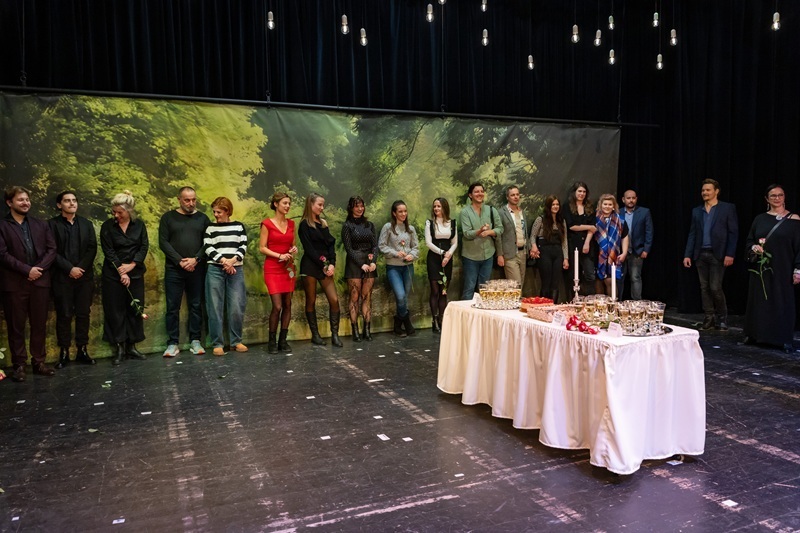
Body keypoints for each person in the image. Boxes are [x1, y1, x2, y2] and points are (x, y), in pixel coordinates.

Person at [0, 186, 57, 382]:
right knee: (16, 326)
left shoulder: (41, 224)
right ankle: (19, 365)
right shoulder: (2, 226)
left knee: (39, 324)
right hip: (14, 284)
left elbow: (52, 250)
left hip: (39, 282)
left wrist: (37, 270)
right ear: (9, 203)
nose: (25, 203)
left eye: (27, 199)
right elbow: (2, 254)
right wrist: (27, 270)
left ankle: (39, 362)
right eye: (20, 200)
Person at [741, 184, 800, 352]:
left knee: (782, 301)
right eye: (773, 195)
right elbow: (750, 240)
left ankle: (783, 339)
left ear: (784, 197)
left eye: (780, 195)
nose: (777, 198)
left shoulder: (794, 219)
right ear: (767, 199)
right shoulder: (760, 219)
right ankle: (754, 334)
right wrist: (753, 248)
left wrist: (798, 269)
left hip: (783, 268)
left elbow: (799, 247)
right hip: (761, 267)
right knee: (759, 301)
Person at [48, 190, 98, 367]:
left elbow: (92, 248)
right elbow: (51, 251)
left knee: (83, 313)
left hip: (84, 277)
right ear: (59, 205)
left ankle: (82, 349)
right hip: (62, 277)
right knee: (64, 314)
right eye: (67, 201)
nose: (72, 203)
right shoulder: (51, 225)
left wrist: (80, 268)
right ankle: (64, 352)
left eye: (74, 200)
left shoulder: (86, 224)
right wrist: (70, 268)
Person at [100, 191, 149, 366]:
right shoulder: (107, 226)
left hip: (135, 273)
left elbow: (143, 247)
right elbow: (108, 251)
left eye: (120, 212)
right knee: (115, 310)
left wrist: (133, 265)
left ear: (129, 211)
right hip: (113, 274)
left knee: (135, 309)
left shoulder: (139, 225)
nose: (116, 215)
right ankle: (119, 347)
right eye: (114, 212)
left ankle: (132, 346)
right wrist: (122, 271)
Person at [159, 186, 210, 357]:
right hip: (174, 269)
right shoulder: (168, 218)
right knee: (172, 307)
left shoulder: (203, 218)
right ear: (179, 200)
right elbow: (163, 242)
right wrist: (180, 261)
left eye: (194, 199)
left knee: (196, 305)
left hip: (197, 268)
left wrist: (196, 259)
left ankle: (195, 341)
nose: (191, 203)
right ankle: (172, 343)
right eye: (187, 200)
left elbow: (208, 242)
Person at [683, 179, 739, 331]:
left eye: (708, 190)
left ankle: (722, 318)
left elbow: (733, 233)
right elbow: (692, 234)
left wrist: (730, 254)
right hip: (700, 254)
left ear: (716, 191)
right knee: (704, 287)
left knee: (715, 287)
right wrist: (687, 254)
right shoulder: (697, 211)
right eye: (703, 190)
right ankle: (709, 318)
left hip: (718, 254)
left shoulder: (727, 208)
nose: (704, 193)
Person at [204, 197, 249, 356]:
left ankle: (236, 341)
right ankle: (217, 343)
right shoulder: (210, 228)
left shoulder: (238, 226)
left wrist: (232, 261)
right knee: (214, 306)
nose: (216, 215)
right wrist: (224, 261)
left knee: (236, 305)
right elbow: (208, 247)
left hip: (235, 270)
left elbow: (243, 245)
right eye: (214, 212)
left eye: (219, 212)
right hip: (215, 269)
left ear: (227, 211)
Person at [299, 193, 343, 347]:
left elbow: (330, 245)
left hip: (325, 266)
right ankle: (315, 335)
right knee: (311, 300)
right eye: (319, 204)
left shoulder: (323, 223)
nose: (322, 208)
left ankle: (335, 335)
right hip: (310, 266)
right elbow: (309, 249)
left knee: (334, 300)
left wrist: (332, 264)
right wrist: (323, 265)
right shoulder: (304, 225)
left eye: (323, 205)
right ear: (310, 204)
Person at [259, 192, 298, 354]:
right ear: (276, 204)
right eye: (284, 203)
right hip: (273, 268)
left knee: (288, 304)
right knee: (277, 305)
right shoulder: (267, 224)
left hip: (288, 268)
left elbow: (292, 245)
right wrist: (279, 255)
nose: (287, 206)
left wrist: (293, 250)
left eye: (289, 203)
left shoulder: (291, 224)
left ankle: (283, 340)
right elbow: (262, 248)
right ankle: (271, 341)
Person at [379, 200, 420, 337]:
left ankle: (397, 325)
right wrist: (395, 253)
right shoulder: (388, 227)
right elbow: (382, 245)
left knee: (404, 298)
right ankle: (407, 322)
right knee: (401, 296)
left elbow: (416, 247)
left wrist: (411, 255)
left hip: (408, 267)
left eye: (405, 211)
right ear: (394, 213)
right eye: (400, 211)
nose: (403, 214)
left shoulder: (411, 229)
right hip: (393, 268)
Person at [341, 196, 378, 342]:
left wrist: (373, 262)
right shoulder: (347, 226)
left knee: (367, 297)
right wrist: (360, 264)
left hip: (369, 262)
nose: (360, 209)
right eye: (357, 206)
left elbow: (375, 246)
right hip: (354, 264)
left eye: (362, 206)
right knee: (354, 297)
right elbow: (348, 249)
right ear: (351, 208)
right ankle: (355, 330)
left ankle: (367, 330)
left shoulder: (370, 225)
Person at [459, 182, 503, 300]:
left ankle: (483, 310)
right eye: (476, 192)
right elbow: (467, 233)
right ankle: (465, 311)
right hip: (470, 257)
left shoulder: (491, 210)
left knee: (485, 289)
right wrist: (480, 231)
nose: (480, 194)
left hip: (488, 255)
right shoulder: (465, 212)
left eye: (482, 191)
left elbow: (500, 229)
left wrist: (490, 232)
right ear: (470, 195)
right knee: (469, 288)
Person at [424, 198, 458, 333]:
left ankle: (442, 319)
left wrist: (448, 255)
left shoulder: (452, 223)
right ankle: (434, 320)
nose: (436, 209)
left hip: (447, 258)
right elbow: (428, 243)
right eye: (435, 206)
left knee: (443, 291)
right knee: (435, 291)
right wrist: (442, 253)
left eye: (439, 206)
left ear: (445, 207)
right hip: (434, 258)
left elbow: (454, 243)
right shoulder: (429, 223)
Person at [529, 196, 569, 303]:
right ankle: (543, 306)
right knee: (546, 282)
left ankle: (553, 306)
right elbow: (532, 236)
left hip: (558, 252)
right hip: (544, 252)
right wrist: (534, 246)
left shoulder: (562, 221)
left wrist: (566, 258)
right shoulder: (540, 219)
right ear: (548, 206)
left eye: (557, 204)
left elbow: (564, 241)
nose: (555, 206)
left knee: (555, 283)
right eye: (553, 204)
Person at [563, 181, 597, 297]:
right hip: (573, 244)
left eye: (584, 191)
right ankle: (573, 299)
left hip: (587, 244)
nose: (582, 194)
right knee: (573, 275)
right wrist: (589, 227)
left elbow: (593, 228)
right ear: (574, 192)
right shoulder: (567, 206)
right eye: (579, 191)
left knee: (590, 275)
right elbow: (571, 226)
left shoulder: (590, 207)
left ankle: (589, 300)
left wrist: (587, 243)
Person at [620, 190, 654, 300]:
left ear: (636, 199)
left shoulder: (644, 212)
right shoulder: (618, 212)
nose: (631, 200)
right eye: (628, 198)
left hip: (637, 251)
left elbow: (649, 231)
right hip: (621, 251)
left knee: (635, 277)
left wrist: (646, 249)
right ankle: (617, 302)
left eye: (633, 198)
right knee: (619, 278)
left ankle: (637, 303)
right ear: (623, 199)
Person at [594, 194, 629, 297]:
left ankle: (613, 305)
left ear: (614, 206)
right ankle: (600, 306)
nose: (607, 206)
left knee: (610, 281)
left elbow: (625, 237)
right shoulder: (594, 218)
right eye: (605, 204)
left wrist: (624, 253)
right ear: (601, 205)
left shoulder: (620, 220)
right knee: (598, 281)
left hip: (613, 255)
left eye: (610, 204)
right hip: (597, 254)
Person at [497, 185, 529, 290]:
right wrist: (500, 254)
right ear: (507, 197)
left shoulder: (522, 212)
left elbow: (525, 232)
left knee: (521, 285)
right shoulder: (501, 213)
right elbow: (498, 235)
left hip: (523, 253)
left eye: (517, 194)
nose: (515, 197)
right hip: (510, 254)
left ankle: (517, 301)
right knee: (515, 286)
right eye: (512, 195)